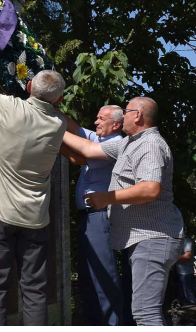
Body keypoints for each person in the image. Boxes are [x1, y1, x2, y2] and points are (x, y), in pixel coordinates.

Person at [61, 96, 184, 326]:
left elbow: (150, 188)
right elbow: (86, 148)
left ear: (137, 115)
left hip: (152, 237)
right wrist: (50, 125)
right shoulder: (128, 143)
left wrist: (107, 197)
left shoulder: (150, 144)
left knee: (145, 313)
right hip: (142, 239)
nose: (122, 115)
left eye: (126, 111)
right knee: (142, 311)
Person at [0, 50, 67, 326]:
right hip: (35, 219)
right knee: (34, 290)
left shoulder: (11, 109)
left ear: (30, 87)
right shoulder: (58, 125)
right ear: (59, 100)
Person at [60, 106, 125, 326]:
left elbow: (78, 157)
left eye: (101, 119)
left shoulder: (115, 143)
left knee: (102, 276)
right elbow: (75, 127)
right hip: (88, 218)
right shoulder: (98, 138)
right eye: (96, 117)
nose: (96, 122)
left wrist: (47, 128)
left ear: (116, 124)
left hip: (99, 217)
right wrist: (48, 107)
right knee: (88, 276)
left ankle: (111, 324)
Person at [173, 236, 196, 306]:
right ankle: (187, 313)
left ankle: (194, 313)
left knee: (189, 296)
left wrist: (173, 258)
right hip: (180, 272)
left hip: (186, 273)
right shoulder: (180, 241)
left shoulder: (186, 240)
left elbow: (187, 256)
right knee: (182, 297)